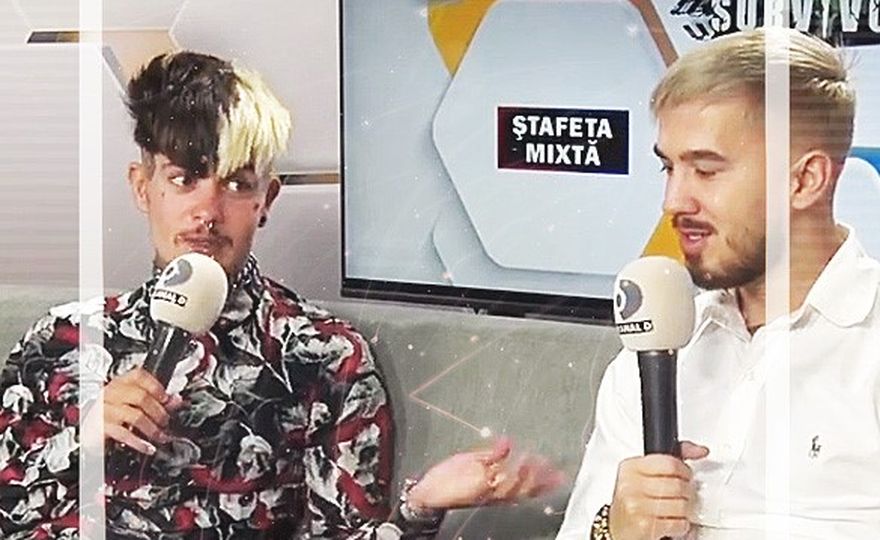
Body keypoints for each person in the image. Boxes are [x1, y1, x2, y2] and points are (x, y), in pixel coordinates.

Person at [0, 51, 562, 539]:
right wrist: (79, 441)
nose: (207, 210)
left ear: (265, 200)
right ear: (142, 187)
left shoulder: (325, 357)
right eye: (184, 179)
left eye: (235, 183)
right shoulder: (61, 339)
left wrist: (421, 506)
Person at [557, 27, 880, 539]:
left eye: (705, 171)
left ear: (805, 181)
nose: (673, 202)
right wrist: (614, 530)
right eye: (668, 168)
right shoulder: (655, 354)